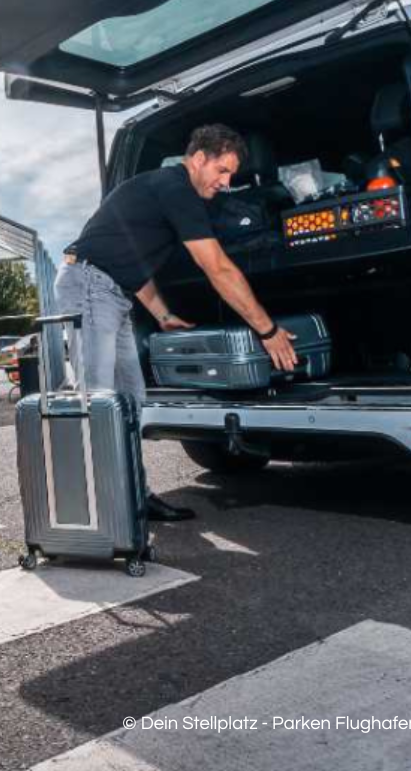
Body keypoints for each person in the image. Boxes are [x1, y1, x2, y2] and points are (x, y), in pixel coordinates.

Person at [56, 123, 297, 522]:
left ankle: (133, 496)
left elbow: (132, 262)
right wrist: (267, 330)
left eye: (231, 175)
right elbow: (217, 268)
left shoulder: (165, 189)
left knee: (130, 399)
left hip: (111, 291)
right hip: (89, 286)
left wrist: (163, 315)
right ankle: (100, 512)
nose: (226, 182)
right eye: (222, 170)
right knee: (99, 399)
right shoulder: (176, 188)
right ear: (198, 158)